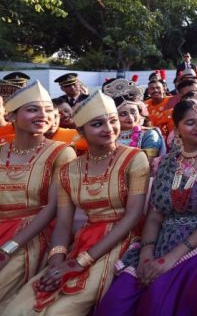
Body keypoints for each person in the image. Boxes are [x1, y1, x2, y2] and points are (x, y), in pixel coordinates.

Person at [7, 90, 149, 315]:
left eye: (112, 121)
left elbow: (132, 216)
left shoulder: (134, 158)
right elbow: (63, 223)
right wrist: (56, 260)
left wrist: (80, 262)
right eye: (97, 124)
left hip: (121, 241)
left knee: (61, 309)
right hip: (84, 239)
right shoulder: (69, 170)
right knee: (20, 306)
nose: (109, 129)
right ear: (81, 130)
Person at [93, 98, 197, 315]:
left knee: (157, 301)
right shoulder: (165, 163)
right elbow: (155, 215)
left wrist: (171, 258)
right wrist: (147, 254)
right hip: (160, 240)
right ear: (176, 129)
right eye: (190, 123)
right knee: (114, 303)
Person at [0, 82, 76, 311]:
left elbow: (52, 208)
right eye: (33, 109)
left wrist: (9, 247)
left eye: (46, 109)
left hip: (32, 235)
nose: (43, 115)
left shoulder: (62, 152)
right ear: (12, 114)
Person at [102, 78, 165, 162]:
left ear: (139, 112)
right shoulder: (108, 135)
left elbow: (146, 166)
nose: (131, 118)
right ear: (113, 117)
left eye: (133, 111)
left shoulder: (149, 135)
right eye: (123, 114)